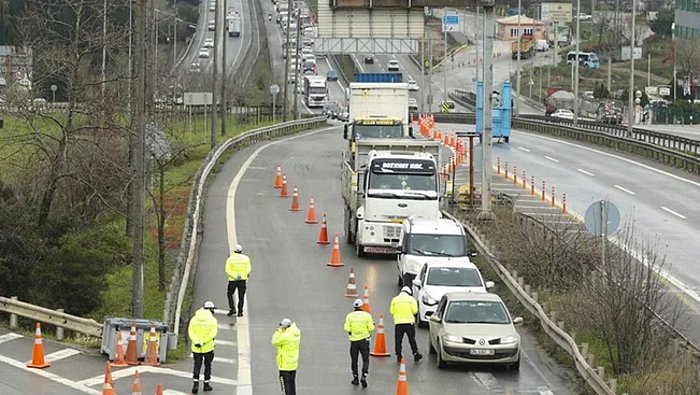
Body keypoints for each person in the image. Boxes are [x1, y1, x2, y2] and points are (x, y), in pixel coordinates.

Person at [188, 301, 218, 393]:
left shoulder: (194, 319)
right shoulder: (212, 320)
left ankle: (195, 384)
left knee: (197, 365)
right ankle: (206, 384)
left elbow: (190, 331)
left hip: (196, 348)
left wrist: (196, 341)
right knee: (207, 366)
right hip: (208, 347)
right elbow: (212, 334)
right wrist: (203, 341)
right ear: (210, 309)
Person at [344, 298, 374, 388]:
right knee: (365, 359)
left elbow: (347, 328)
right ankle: (364, 375)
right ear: (362, 306)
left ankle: (355, 377)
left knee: (354, 360)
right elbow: (371, 328)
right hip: (364, 341)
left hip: (354, 341)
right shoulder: (367, 316)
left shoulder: (349, 316)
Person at [390, 286, 422, 364]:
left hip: (398, 323)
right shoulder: (411, 300)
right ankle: (415, 353)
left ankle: (399, 355)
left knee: (398, 340)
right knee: (411, 339)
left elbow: (392, 311)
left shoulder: (395, 300)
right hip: (409, 323)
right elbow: (415, 311)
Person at [271, 318, 301, 395]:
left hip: (284, 364)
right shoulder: (295, 333)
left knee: (285, 387)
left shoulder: (286, 336)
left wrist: (278, 331)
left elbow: (274, 341)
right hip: (293, 364)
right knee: (292, 384)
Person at [225, 244, 252, 317]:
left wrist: (234, 276)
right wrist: (242, 276)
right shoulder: (246, 258)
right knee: (241, 296)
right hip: (242, 280)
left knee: (230, 294)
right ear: (241, 251)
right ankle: (240, 312)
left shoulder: (230, 259)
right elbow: (248, 269)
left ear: (234, 251)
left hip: (232, 280)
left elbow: (227, 270)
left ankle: (232, 309)